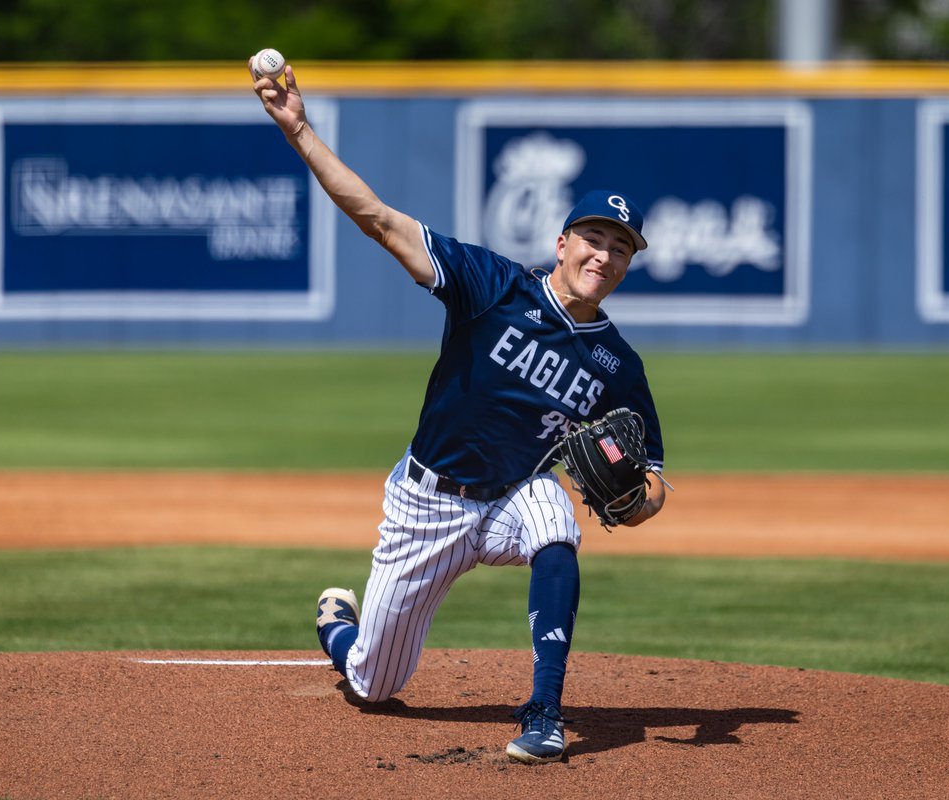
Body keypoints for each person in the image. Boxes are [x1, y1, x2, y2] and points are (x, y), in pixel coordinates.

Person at [251, 55, 666, 765]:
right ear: (562, 244)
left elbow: (653, 480)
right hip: (427, 503)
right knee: (375, 685)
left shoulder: (617, 364)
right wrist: (300, 132)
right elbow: (380, 221)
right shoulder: (493, 285)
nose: (606, 254)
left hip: (509, 501)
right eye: (595, 237)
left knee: (555, 515)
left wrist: (634, 502)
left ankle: (544, 713)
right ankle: (339, 629)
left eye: (621, 247)